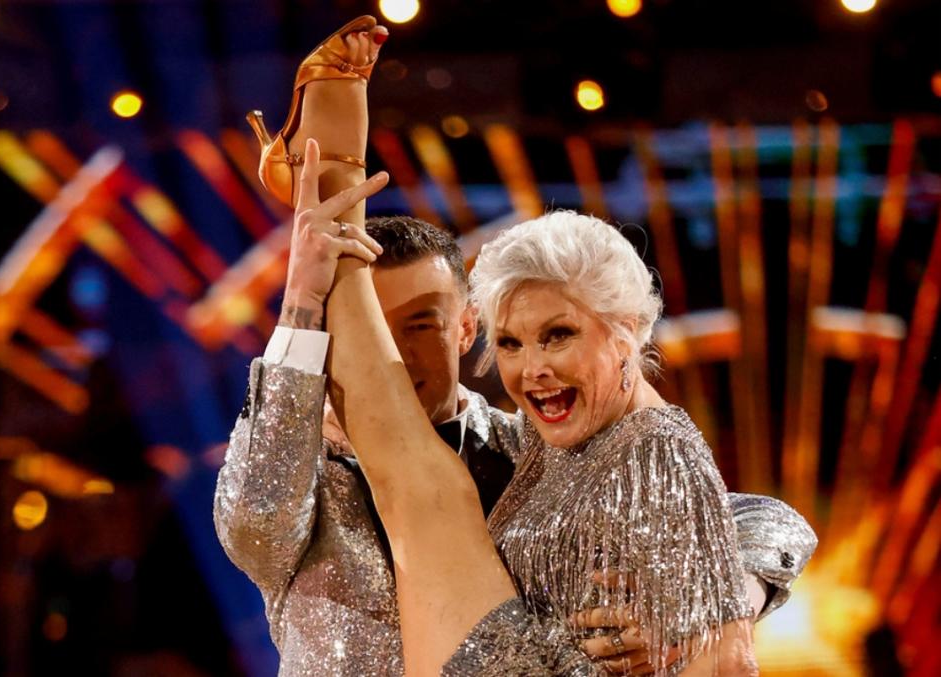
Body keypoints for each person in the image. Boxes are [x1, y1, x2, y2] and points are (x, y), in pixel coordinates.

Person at [216, 15, 816, 676]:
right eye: (369, 328)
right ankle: (325, 184)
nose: (395, 353)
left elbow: (761, 517)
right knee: (416, 479)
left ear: (465, 328)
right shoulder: (302, 472)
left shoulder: (540, 446)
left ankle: (326, 175)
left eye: (418, 324)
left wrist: (703, 610)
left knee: (419, 482)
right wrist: (301, 300)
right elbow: (256, 520)